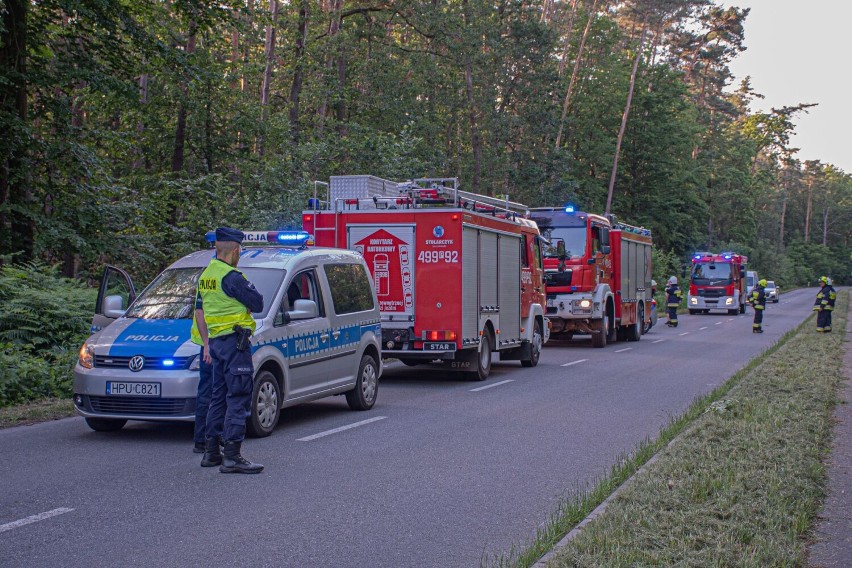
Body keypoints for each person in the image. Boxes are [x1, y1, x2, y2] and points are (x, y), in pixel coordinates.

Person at [190, 227, 265, 474]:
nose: (239, 255)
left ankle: (212, 451)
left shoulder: (206, 275)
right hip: (235, 344)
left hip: (216, 343)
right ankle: (232, 455)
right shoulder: (231, 277)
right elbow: (257, 302)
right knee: (239, 396)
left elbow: (201, 311)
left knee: (218, 397)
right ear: (234, 250)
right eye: (239, 251)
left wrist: (207, 344)